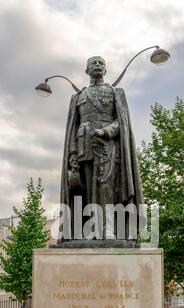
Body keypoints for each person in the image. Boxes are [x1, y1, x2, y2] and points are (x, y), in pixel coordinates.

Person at [60, 56, 144, 240]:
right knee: (87, 191)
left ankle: (108, 229)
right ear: (87, 70)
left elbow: (121, 122)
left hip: (108, 146)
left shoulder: (116, 93)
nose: (97, 66)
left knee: (107, 189)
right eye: (93, 63)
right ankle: (92, 229)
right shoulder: (78, 97)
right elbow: (73, 128)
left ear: (105, 70)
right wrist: (73, 154)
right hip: (84, 148)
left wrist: (105, 131)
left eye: (101, 63)